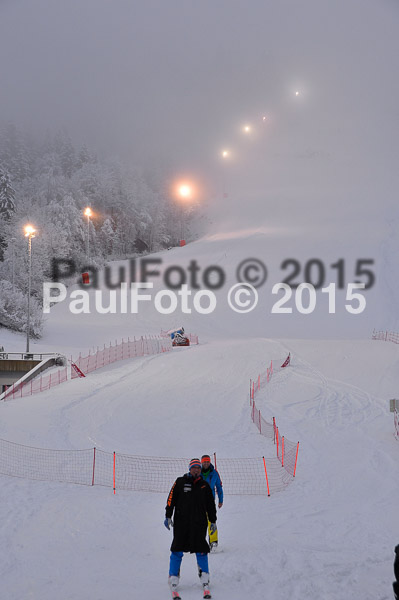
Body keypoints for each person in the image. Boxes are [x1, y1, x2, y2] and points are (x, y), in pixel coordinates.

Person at [164, 458, 216, 599]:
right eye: (194, 468)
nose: (196, 470)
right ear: (189, 469)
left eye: (198, 468)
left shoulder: (204, 485)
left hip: (199, 524)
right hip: (181, 523)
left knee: (201, 549)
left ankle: (205, 577)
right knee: (177, 549)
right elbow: (171, 499)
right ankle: (173, 577)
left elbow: (211, 504)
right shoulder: (180, 482)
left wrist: (213, 521)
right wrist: (168, 515)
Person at [200, 455, 223, 551]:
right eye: (204, 462)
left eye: (207, 462)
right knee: (199, 521)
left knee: (211, 520)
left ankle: (213, 542)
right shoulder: (197, 472)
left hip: (210, 501)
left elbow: (219, 486)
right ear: (201, 463)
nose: (206, 463)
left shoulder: (214, 473)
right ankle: (199, 542)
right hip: (199, 501)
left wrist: (220, 500)